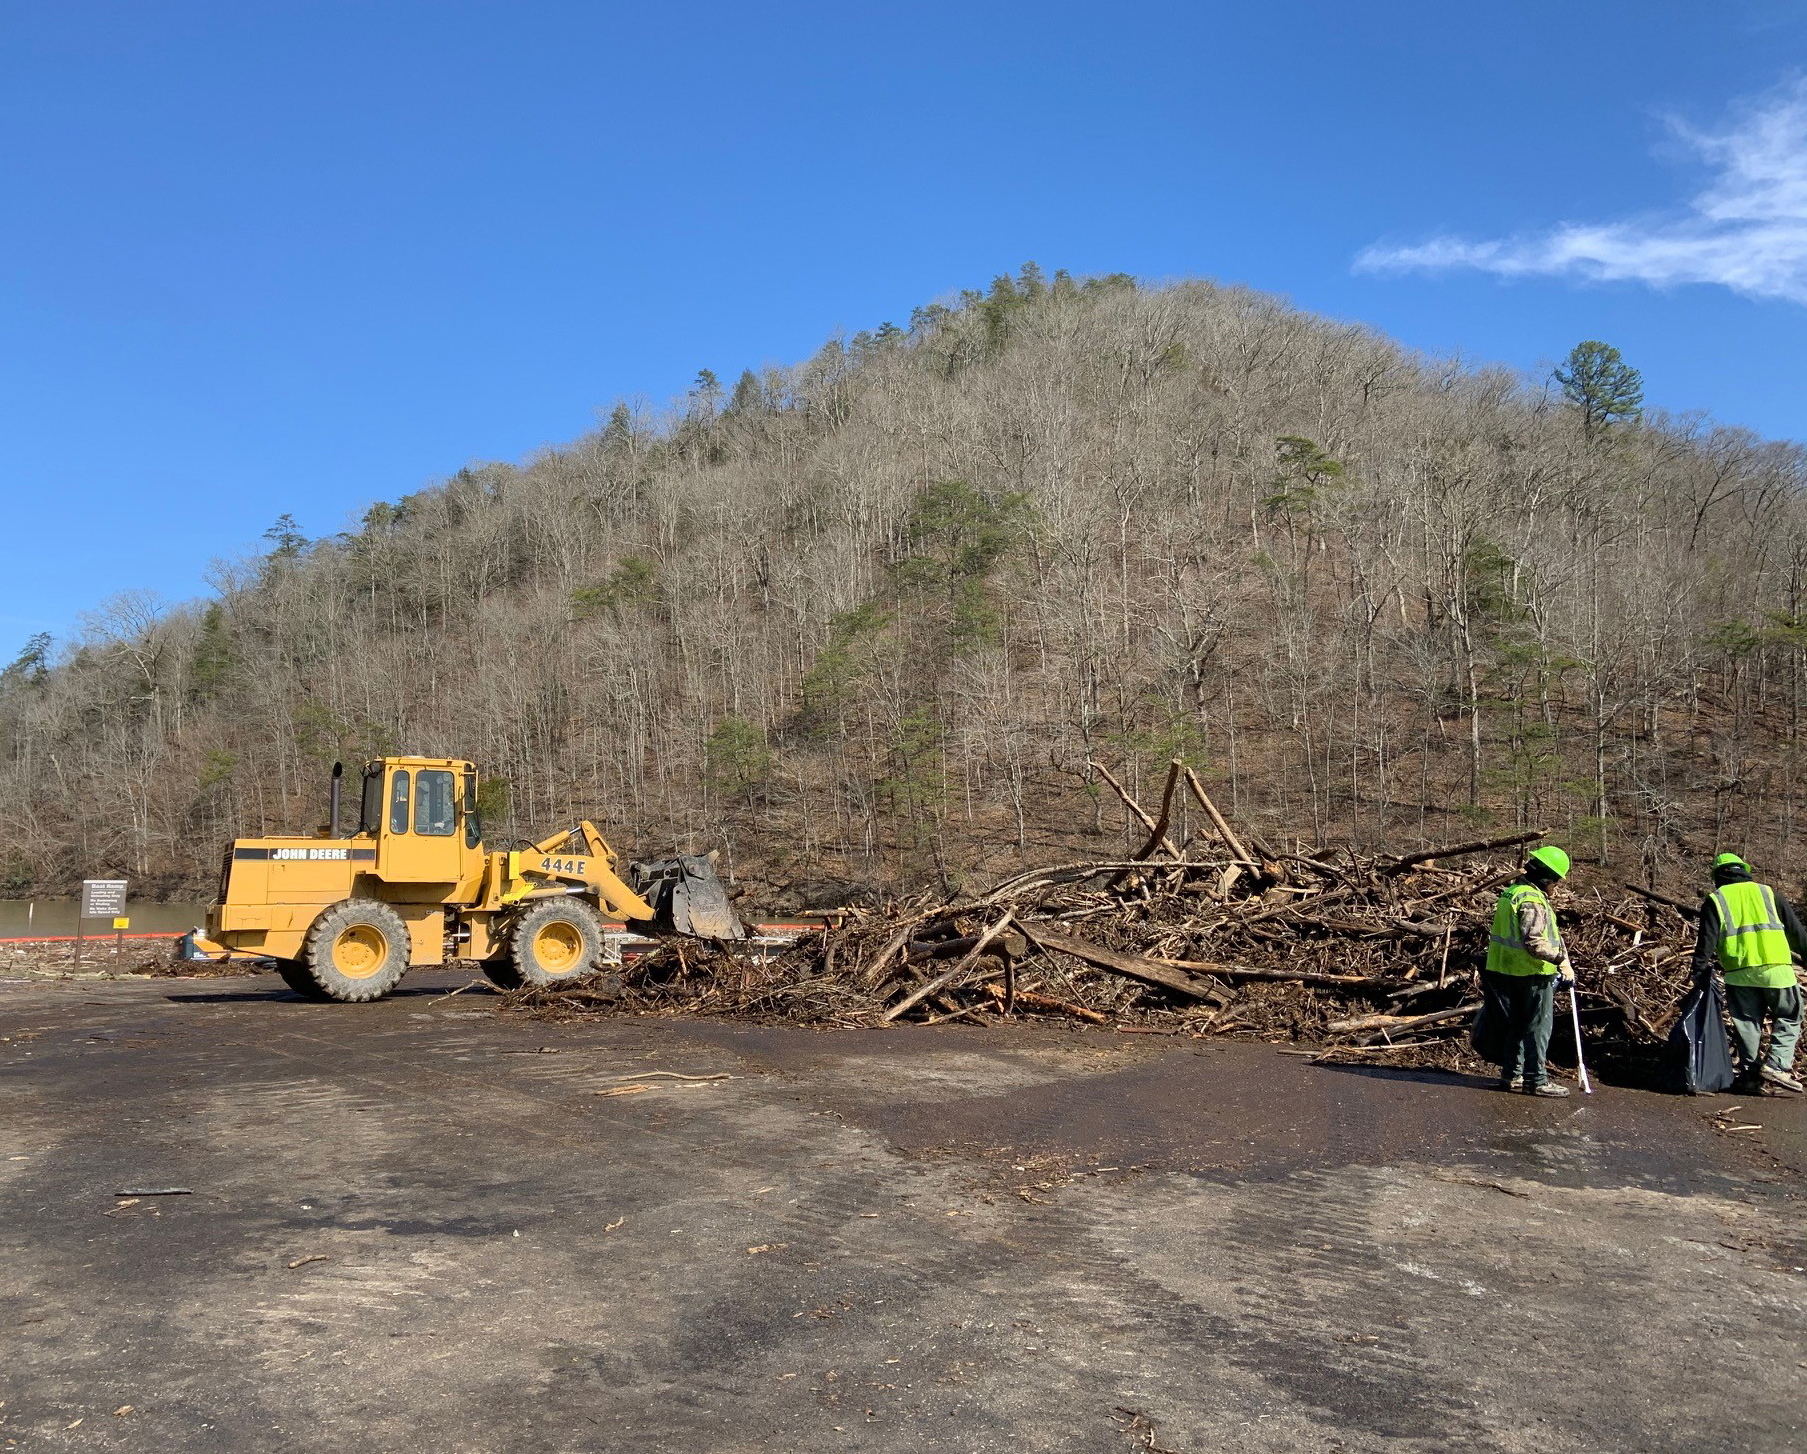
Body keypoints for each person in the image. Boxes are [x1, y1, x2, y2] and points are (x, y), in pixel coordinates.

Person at [1689, 853, 1805, 1095]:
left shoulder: (1717, 899)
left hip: (1738, 973)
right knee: (1790, 1015)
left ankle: (1751, 1077)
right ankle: (1776, 1064)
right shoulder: (1767, 893)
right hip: (1776, 970)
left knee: (1747, 1025)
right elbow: (1796, 932)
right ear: (1744, 870)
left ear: (1717, 876)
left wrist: (1698, 971)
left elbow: (1706, 941)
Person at [1480, 845, 1576, 1096]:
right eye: (1556, 880)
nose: (1556, 886)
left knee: (1517, 1025)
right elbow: (1534, 942)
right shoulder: (1532, 900)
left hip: (1506, 971)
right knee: (1538, 1028)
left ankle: (1513, 1076)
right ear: (1546, 877)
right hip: (1532, 973)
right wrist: (1561, 960)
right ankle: (1537, 1080)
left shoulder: (1512, 892)